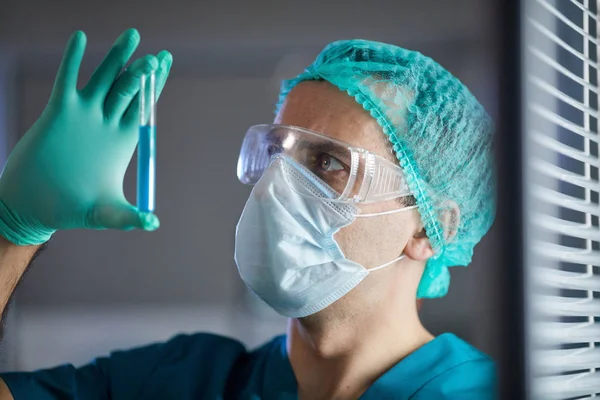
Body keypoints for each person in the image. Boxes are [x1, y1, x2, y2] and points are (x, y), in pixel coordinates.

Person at [0, 28, 496, 399]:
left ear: (433, 227)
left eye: (327, 163)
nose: (275, 187)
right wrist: (14, 227)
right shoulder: (187, 381)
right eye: (276, 152)